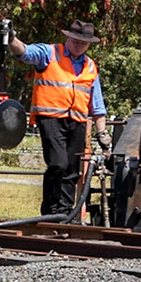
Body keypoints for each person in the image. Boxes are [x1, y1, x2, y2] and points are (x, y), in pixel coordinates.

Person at [10, 20, 110, 218]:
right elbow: (25, 52)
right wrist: (11, 38)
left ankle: (64, 214)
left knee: (72, 171)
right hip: (51, 119)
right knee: (58, 164)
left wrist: (103, 133)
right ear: (68, 38)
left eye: (83, 43)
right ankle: (50, 211)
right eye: (76, 41)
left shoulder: (90, 66)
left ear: (89, 44)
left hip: (78, 121)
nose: (79, 45)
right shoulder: (49, 53)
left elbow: (97, 105)